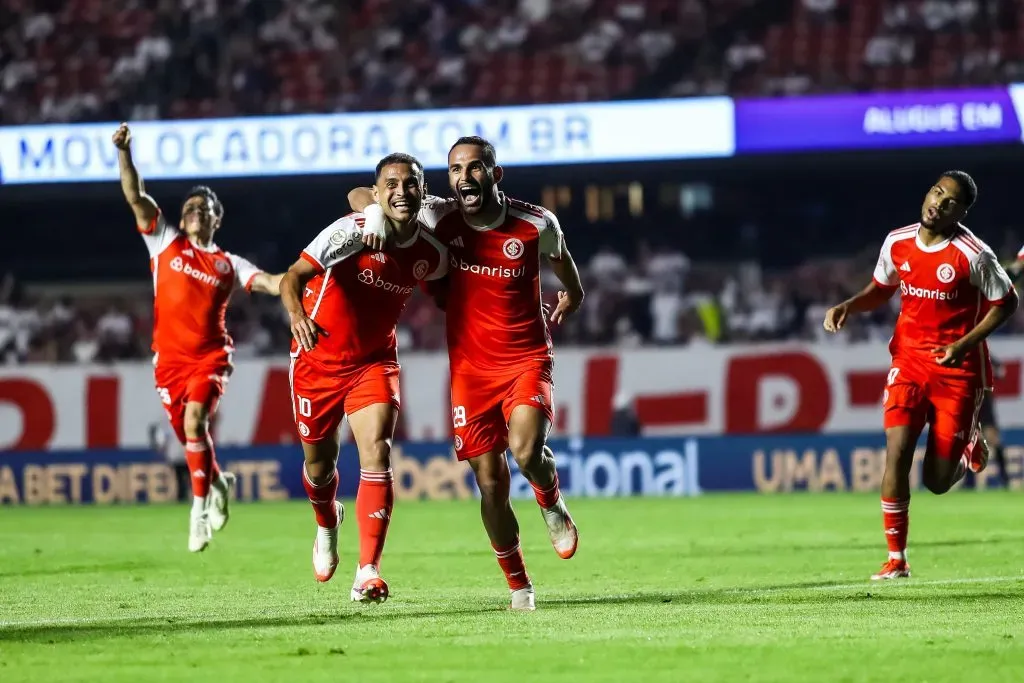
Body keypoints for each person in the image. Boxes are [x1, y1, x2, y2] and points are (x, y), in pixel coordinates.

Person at [349, 137, 585, 611]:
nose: (464, 178)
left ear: (495, 175)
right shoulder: (437, 215)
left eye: (475, 168)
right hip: (470, 371)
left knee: (524, 449)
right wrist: (375, 216)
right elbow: (362, 195)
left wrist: (572, 298)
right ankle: (520, 585)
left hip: (525, 358)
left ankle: (550, 499)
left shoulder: (537, 223)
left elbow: (568, 273)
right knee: (492, 484)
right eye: (455, 170)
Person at [823, 170, 1017, 580]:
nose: (938, 203)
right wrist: (849, 306)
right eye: (936, 192)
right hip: (909, 362)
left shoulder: (973, 254)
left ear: (961, 212)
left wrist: (964, 344)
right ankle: (897, 559)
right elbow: (881, 288)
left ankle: (968, 449)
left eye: (950, 201)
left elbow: (1007, 302)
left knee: (937, 481)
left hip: (957, 369)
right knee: (896, 451)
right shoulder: (898, 241)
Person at [280, 153, 447, 603]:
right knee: (319, 466)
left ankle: (368, 570)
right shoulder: (351, 232)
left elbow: (454, 276)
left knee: (377, 452)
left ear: (422, 190)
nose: (401, 192)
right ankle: (326, 521)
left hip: (374, 362)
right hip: (317, 359)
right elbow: (291, 279)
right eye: (390, 185)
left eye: (410, 184)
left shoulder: (432, 250)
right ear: (377, 192)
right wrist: (297, 316)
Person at [113, 123, 284, 553]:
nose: (193, 210)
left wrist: (305, 276)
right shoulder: (163, 244)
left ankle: (198, 511)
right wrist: (125, 153)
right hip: (167, 362)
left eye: (202, 206)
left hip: (210, 358)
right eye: (189, 205)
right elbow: (136, 197)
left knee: (195, 422)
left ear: (216, 218)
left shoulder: (228, 263)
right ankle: (219, 483)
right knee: (192, 438)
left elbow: (267, 282)